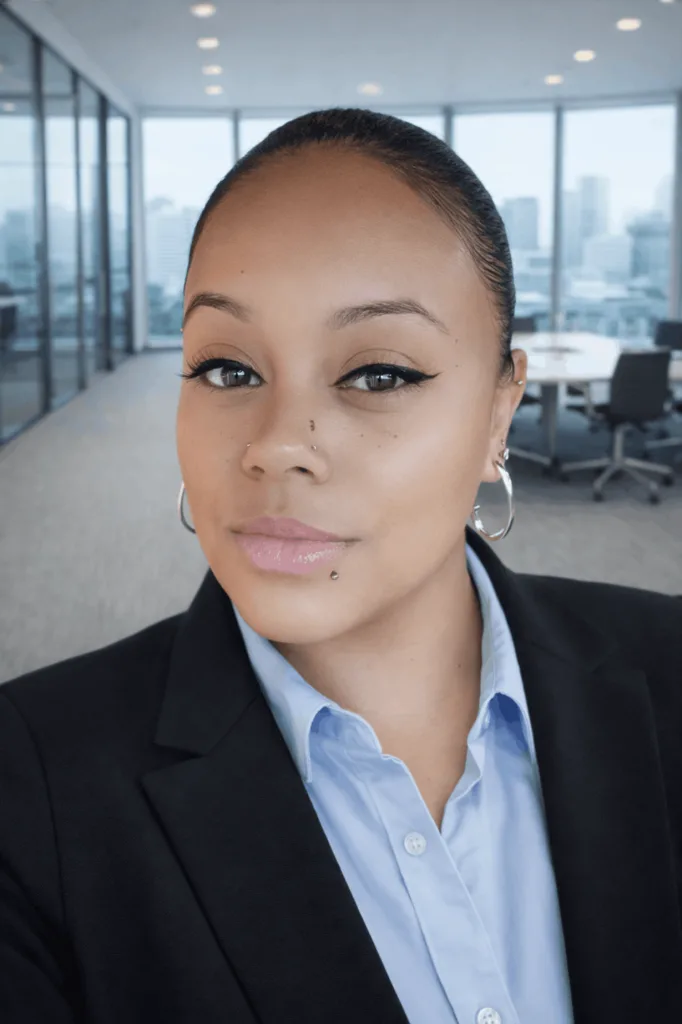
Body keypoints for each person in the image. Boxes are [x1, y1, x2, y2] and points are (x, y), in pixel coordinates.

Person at [1, 109, 681, 1024]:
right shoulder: (28, 788)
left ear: (498, 412)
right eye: (228, 369)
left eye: (379, 374)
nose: (277, 446)